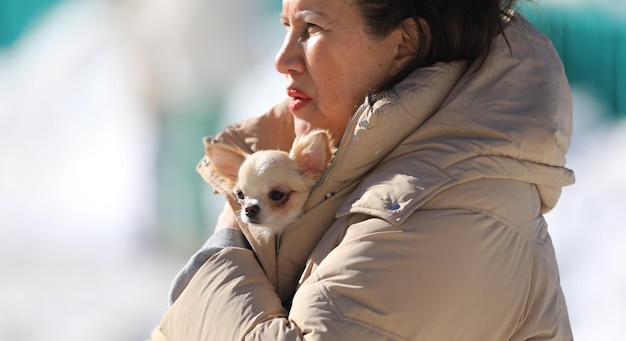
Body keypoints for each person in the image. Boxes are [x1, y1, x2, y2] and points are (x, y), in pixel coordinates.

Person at [151, 0, 575, 339]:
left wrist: (226, 245)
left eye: (311, 29)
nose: (283, 60)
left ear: (404, 43)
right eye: (285, 27)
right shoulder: (365, 170)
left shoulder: (450, 208)